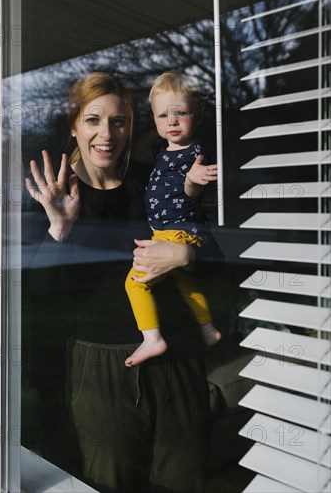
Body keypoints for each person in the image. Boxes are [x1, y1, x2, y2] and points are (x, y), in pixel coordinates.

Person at [25, 71, 212, 493]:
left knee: (184, 479)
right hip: (103, 365)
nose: (106, 134)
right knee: (110, 481)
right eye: (93, 120)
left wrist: (187, 254)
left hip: (177, 355)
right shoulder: (52, 196)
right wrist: (59, 231)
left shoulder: (153, 182)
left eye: (119, 121)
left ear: (130, 125)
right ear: (74, 126)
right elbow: (38, 299)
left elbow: (216, 256)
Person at [125, 71, 221, 367]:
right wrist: (159, 126)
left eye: (180, 113)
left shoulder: (195, 152)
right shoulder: (162, 151)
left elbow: (191, 191)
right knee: (186, 286)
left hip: (178, 232)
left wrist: (193, 179)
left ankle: (152, 339)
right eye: (164, 116)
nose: (173, 121)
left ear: (197, 115)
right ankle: (209, 330)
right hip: (168, 232)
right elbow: (140, 149)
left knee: (136, 283)